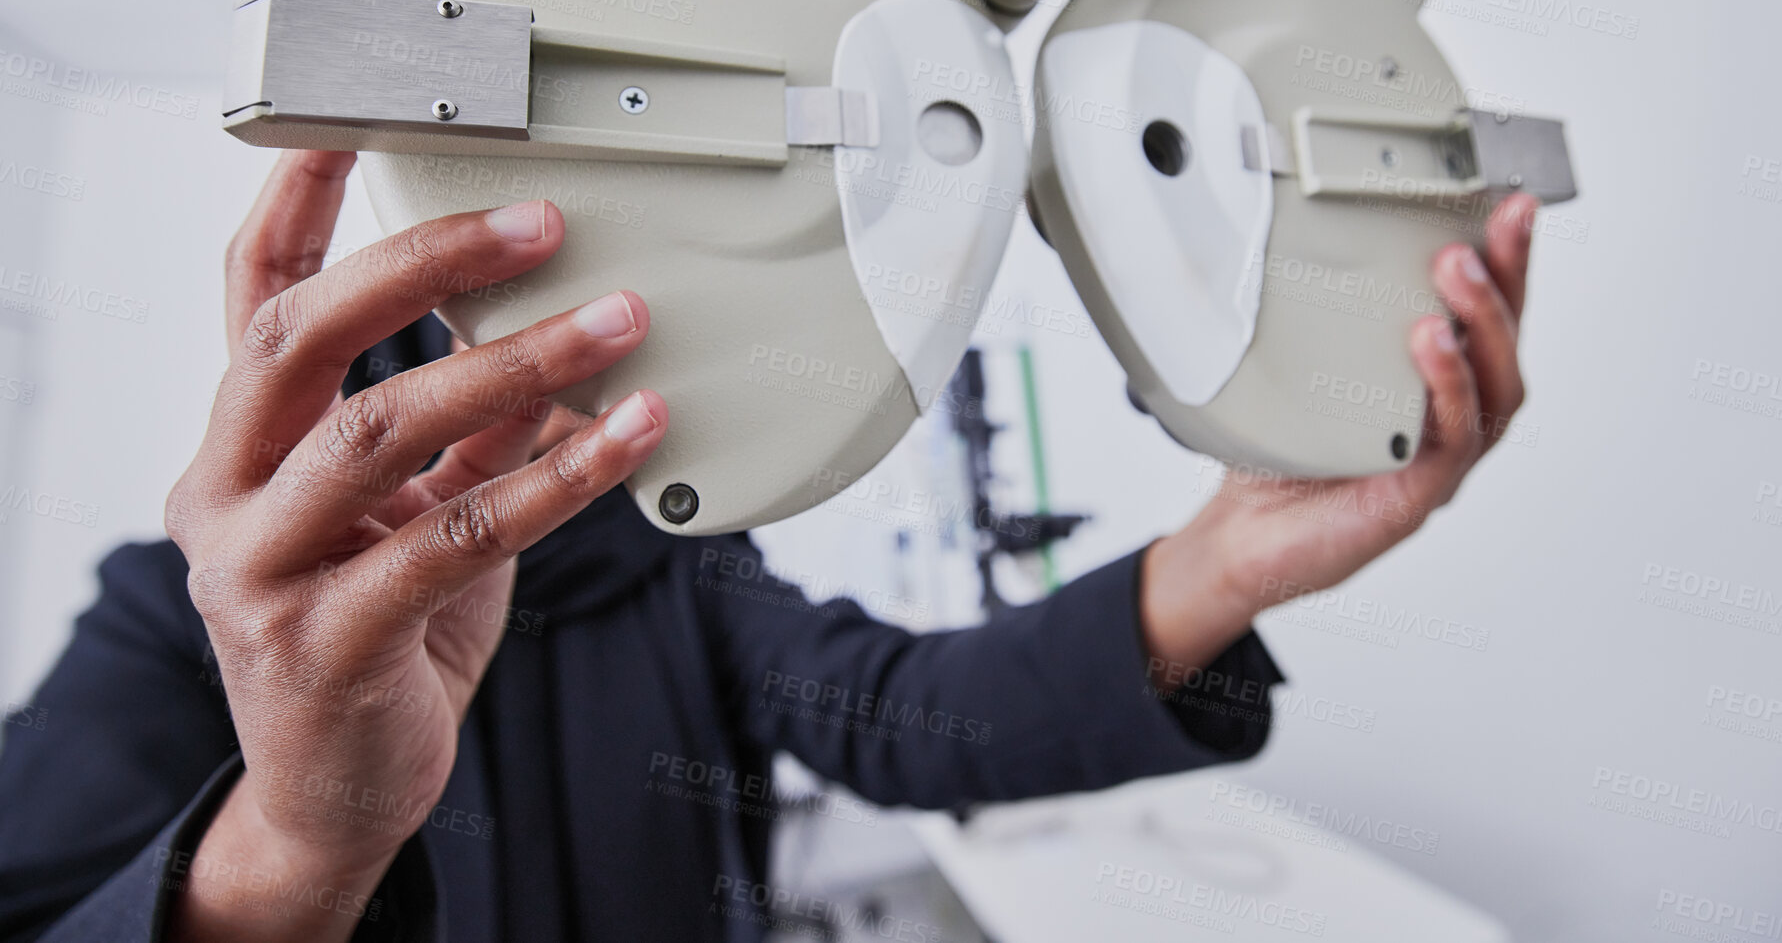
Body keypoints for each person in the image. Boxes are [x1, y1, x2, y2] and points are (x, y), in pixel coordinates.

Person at [0, 152, 1537, 942]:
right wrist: (300, 840)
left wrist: (1230, 556)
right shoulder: (184, 622)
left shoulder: (673, 575)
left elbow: (917, 714)